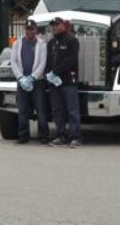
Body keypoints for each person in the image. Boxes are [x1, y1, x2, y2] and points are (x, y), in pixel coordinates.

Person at [10, 19, 49, 144]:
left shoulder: (42, 44)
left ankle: (43, 136)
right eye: (27, 28)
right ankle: (23, 136)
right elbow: (14, 62)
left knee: (41, 110)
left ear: (36, 30)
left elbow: (43, 62)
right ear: (24, 29)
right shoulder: (17, 43)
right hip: (22, 81)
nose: (30, 31)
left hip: (37, 82)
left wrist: (33, 77)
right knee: (23, 110)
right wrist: (21, 78)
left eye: (32, 29)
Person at [46, 16, 82, 148]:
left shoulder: (72, 40)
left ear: (63, 25)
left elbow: (71, 60)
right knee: (57, 110)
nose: (54, 27)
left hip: (68, 81)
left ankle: (75, 137)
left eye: (57, 24)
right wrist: (48, 74)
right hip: (55, 83)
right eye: (53, 25)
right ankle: (60, 135)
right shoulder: (51, 43)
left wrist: (55, 72)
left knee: (72, 110)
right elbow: (48, 61)